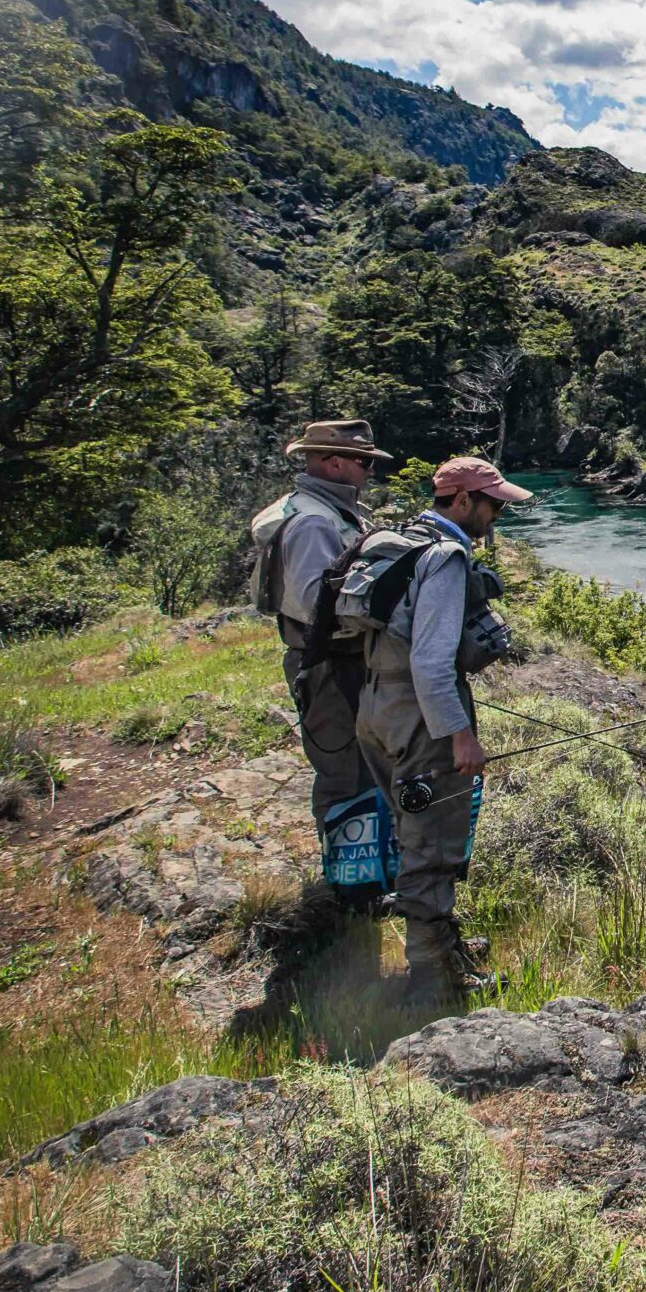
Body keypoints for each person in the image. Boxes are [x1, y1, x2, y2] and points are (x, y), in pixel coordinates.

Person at [350, 455, 531, 1001]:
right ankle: (434, 977)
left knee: (411, 832)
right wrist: (458, 732)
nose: (498, 512)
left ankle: (443, 942)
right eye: (492, 502)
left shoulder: (403, 541)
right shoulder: (448, 557)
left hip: (376, 709)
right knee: (430, 844)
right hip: (422, 717)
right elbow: (431, 662)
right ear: (461, 501)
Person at [247, 419, 390, 821]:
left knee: (367, 765)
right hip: (331, 666)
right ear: (332, 462)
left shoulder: (329, 510)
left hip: (344, 662)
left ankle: (370, 867)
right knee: (346, 773)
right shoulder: (314, 522)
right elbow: (319, 605)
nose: (369, 471)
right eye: (364, 462)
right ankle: (352, 879)